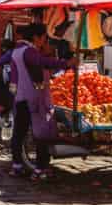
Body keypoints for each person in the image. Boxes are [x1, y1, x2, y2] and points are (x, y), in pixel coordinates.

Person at [9, 24, 76, 180]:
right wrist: (66, 64)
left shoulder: (17, 51)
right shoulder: (29, 51)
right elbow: (42, 62)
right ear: (36, 37)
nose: (44, 42)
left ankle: (17, 166)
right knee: (41, 134)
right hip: (34, 100)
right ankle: (41, 169)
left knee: (19, 133)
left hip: (21, 97)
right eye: (44, 38)